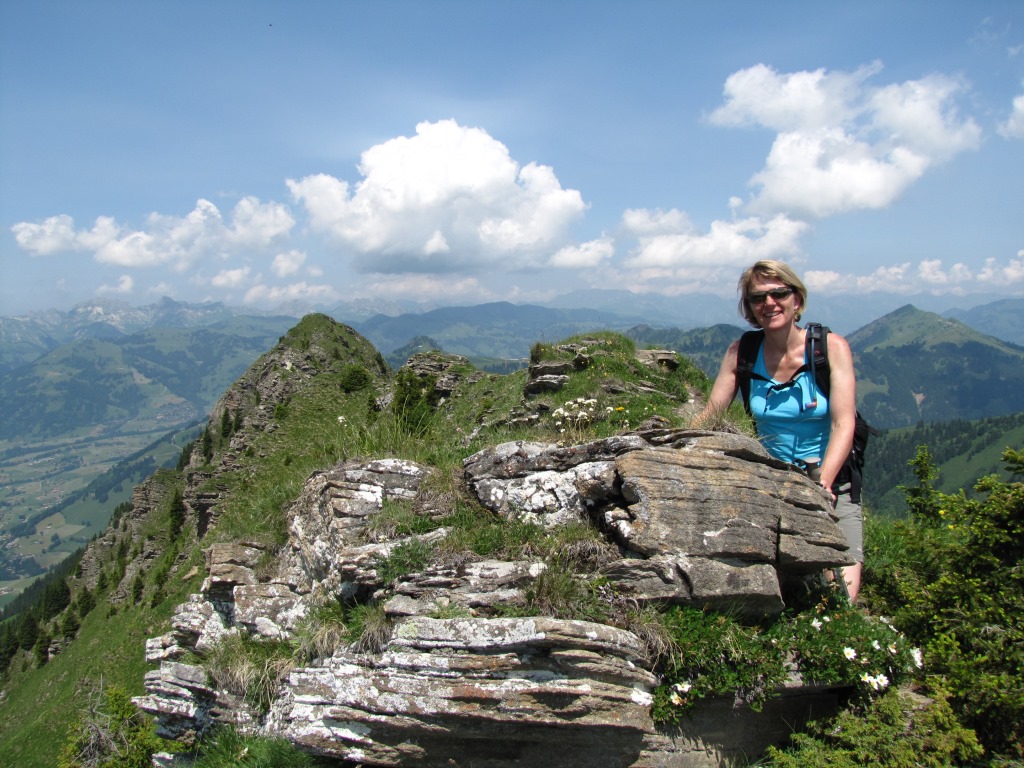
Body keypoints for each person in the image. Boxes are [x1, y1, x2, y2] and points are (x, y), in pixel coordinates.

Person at [695, 260, 862, 601]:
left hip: (831, 482)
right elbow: (710, 416)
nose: (769, 303)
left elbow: (844, 423)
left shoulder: (830, 349)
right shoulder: (742, 353)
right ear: (750, 308)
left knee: (840, 595)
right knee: (778, 588)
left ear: (796, 299)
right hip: (771, 483)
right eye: (758, 298)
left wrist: (822, 485)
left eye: (779, 293)